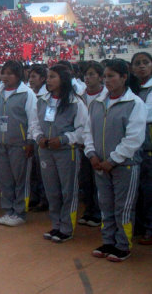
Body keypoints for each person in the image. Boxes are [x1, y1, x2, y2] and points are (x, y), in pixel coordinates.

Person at [83, 59, 146, 262]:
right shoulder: (97, 103)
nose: (107, 80)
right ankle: (108, 241)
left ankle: (122, 245)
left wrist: (113, 159)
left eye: (111, 76)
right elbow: (87, 131)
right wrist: (91, 154)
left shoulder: (134, 104)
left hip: (124, 166)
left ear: (124, 77)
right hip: (99, 165)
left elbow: (134, 138)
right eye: (105, 76)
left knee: (123, 207)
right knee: (105, 205)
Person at [33, 65, 88, 243]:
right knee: (52, 190)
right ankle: (56, 224)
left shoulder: (76, 103)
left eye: (52, 77)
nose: (48, 80)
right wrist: (39, 137)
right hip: (46, 151)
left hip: (66, 152)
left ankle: (67, 227)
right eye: (48, 77)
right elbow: (34, 124)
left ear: (63, 79)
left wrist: (64, 139)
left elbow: (83, 130)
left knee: (68, 190)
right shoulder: (42, 100)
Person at [0, 60, 38, 227]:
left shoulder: (27, 94)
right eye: (4, 72)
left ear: (18, 75)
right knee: (4, 179)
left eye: (10, 73)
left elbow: (33, 119)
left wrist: (30, 140)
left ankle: (19, 212)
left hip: (19, 143)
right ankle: (8, 209)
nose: (6, 76)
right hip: (0, 143)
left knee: (20, 179)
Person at [79, 61, 107, 227]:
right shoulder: (80, 97)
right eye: (86, 75)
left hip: (99, 144)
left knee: (100, 182)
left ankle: (99, 212)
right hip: (83, 145)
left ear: (100, 77)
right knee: (86, 181)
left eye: (91, 74)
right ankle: (89, 210)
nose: (88, 78)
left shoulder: (105, 97)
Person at [131, 52, 152, 245]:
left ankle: (149, 228)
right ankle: (138, 226)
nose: (142, 66)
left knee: (149, 191)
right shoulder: (133, 90)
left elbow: (145, 116)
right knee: (138, 191)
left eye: (145, 62)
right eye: (137, 63)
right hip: (136, 149)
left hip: (148, 147)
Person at [28, 64, 49, 212]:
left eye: (34, 77)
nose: (30, 80)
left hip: (42, 137)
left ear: (42, 79)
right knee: (32, 169)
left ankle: (45, 198)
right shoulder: (29, 93)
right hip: (32, 135)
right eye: (29, 76)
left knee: (43, 171)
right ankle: (34, 196)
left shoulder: (47, 95)